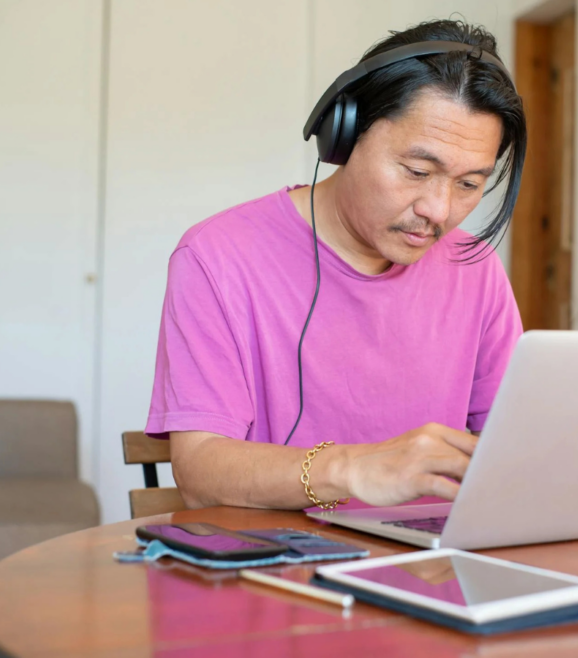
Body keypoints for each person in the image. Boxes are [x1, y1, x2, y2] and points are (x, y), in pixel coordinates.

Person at [145, 19, 526, 511]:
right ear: (344, 136)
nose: (439, 209)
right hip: (283, 555)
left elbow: (518, 447)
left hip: (433, 554)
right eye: (417, 171)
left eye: (469, 184)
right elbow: (200, 472)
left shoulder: (476, 267)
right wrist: (353, 469)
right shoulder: (216, 257)